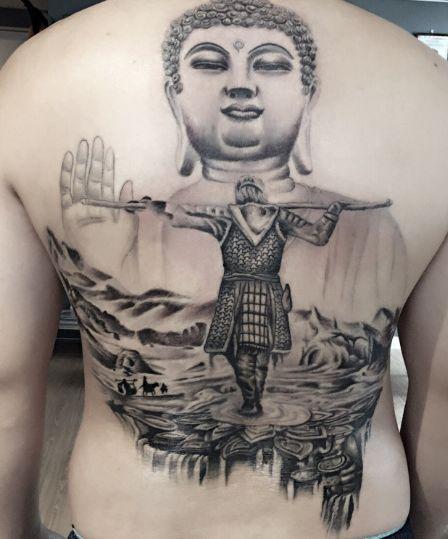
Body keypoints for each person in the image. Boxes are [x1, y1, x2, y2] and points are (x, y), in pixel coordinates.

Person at [0, 0, 446, 538]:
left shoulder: (34, 78)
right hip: (237, 297)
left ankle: (257, 403)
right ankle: (249, 400)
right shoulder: (432, 86)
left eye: (271, 64)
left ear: (308, 92)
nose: (241, 87)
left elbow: (6, 385)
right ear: (174, 93)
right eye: (210, 63)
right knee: (237, 353)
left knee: (263, 353)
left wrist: (329, 216)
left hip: (262, 302)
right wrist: (153, 212)